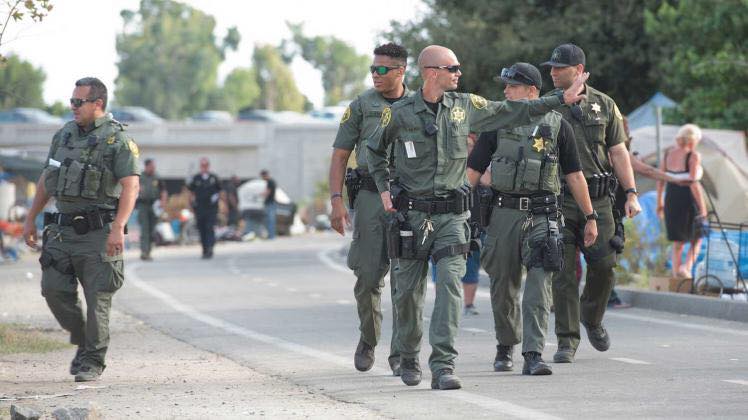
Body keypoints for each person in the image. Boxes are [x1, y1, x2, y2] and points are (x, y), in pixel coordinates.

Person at [367, 45, 586, 390]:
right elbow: (374, 151)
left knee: (450, 288)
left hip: (453, 217)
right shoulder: (400, 113)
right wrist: (384, 189)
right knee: (408, 293)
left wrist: (559, 99)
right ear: (431, 72)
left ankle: (443, 365)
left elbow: (512, 111)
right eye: (452, 68)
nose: (459, 73)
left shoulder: (466, 106)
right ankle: (408, 356)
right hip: (412, 217)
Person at [468, 62, 597, 376]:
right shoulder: (496, 125)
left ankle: (533, 353)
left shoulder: (558, 126)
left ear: (532, 91)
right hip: (503, 214)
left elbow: (575, 175)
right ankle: (505, 344)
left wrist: (590, 216)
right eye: (506, 86)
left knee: (539, 287)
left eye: (512, 86)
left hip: (543, 215)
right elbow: (472, 171)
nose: (506, 91)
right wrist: (456, 209)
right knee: (503, 286)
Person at [21, 77, 140, 382]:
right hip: (62, 230)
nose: (72, 107)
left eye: (78, 102)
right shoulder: (64, 135)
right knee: (53, 290)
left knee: (98, 297)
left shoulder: (117, 140)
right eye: (72, 101)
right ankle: (83, 337)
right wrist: (31, 217)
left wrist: (118, 227)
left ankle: (92, 361)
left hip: (98, 233)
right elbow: (47, 179)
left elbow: (131, 185)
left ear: (97, 103)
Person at [541, 43, 641, 364]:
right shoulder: (547, 105)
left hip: (598, 199)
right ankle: (566, 339)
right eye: (552, 67)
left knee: (604, 265)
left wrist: (631, 192)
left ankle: (592, 316)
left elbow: (618, 152)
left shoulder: (604, 104)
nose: (553, 72)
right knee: (562, 273)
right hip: (558, 200)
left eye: (560, 67)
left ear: (580, 70)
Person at [329, 42, 410, 375]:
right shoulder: (362, 106)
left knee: (406, 281)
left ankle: (401, 352)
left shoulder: (419, 104)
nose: (375, 74)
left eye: (382, 69)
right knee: (367, 277)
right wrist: (336, 201)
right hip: (370, 196)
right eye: (372, 69)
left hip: (408, 198)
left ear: (401, 71)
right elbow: (340, 155)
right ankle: (368, 338)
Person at [429, 133, 489, 316]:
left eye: (470, 145)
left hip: (474, 222)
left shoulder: (480, 163)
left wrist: (476, 167)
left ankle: (469, 304)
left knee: (471, 264)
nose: (466, 148)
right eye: (463, 144)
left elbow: (489, 181)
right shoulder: (447, 163)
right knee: (440, 261)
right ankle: (442, 301)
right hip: (446, 220)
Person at [657, 124, 706, 278]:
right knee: (697, 238)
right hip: (688, 198)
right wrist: (703, 207)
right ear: (693, 140)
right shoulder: (693, 155)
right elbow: (693, 183)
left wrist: (659, 202)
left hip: (671, 198)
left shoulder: (667, 154)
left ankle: (675, 275)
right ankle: (686, 268)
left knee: (678, 241)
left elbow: (660, 180)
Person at [188, 158, 221, 259]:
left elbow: (219, 191)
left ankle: (210, 247)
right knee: (202, 229)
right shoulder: (196, 178)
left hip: (211, 208)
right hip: (200, 208)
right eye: (202, 166)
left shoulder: (214, 178)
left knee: (209, 228)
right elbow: (191, 192)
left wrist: (216, 199)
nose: (204, 168)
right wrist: (191, 205)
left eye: (206, 165)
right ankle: (204, 249)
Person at [137, 158, 166, 261]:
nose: (153, 168)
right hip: (143, 205)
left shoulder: (157, 177)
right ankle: (144, 252)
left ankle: (149, 251)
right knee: (144, 229)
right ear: (146, 166)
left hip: (154, 205)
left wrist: (163, 203)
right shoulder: (140, 177)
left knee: (152, 230)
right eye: (152, 166)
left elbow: (163, 191)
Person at [259, 169, 276, 240]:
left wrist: (260, 195)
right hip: (271, 203)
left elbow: (267, 192)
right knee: (269, 220)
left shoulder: (269, 182)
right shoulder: (271, 181)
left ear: (264, 175)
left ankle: (271, 236)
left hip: (269, 203)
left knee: (269, 220)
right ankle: (271, 235)